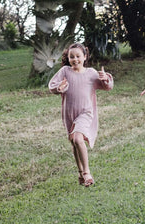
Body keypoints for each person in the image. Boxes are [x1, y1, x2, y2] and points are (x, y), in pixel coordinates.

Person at [48, 42, 114, 186]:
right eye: (72, 57)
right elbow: (52, 86)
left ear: (85, 57)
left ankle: (87, 173)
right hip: (69, 114)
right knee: (74, 142)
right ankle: (80, 174)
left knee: (78, 139)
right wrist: (59, 88)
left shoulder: (91, 73)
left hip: (86, 113)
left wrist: (105, 78)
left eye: (78, 56)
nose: (75, 59)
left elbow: (107, 86)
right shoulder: (65, 71)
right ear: (68, 58)